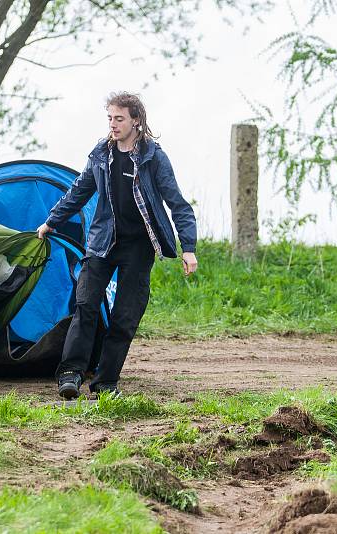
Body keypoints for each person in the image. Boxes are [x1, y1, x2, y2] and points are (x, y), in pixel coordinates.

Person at [36, 91, 198, 399]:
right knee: (85, 305)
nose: (113, 124)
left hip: (138, 248)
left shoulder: (153, 157)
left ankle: (106, 382)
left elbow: (177, 203)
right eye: (110, 118)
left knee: (125, 316)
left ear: (136, 121)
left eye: (119, 118)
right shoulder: (101, 154)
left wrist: (187, 247)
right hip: (101, 243)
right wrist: (51, 221)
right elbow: (79, 191)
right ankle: (70, 375)